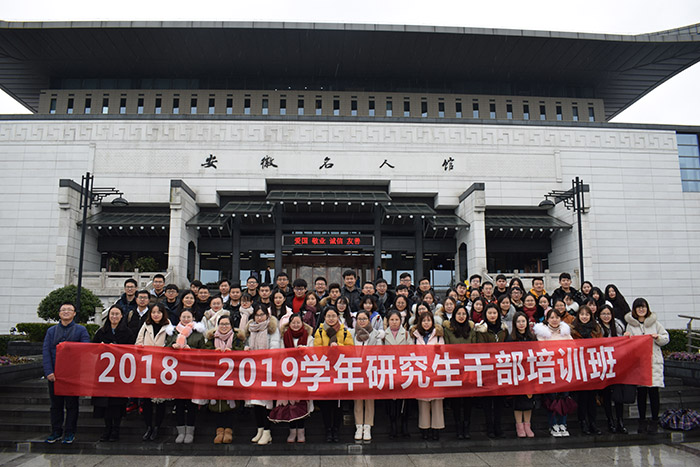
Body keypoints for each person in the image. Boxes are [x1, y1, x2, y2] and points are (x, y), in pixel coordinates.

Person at [42, 301, 90, 444]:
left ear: (74, 313)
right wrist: (49, 371)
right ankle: (56, 431)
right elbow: (46, 352)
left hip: (72, 375)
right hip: (55, 374)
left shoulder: (81, 330)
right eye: (63, 310)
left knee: (72, 405)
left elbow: (86, 349)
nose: (66, 312)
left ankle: (69, 432)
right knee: (56, 405)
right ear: (59, 313)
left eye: (69, 310)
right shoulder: (51, 331)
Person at [624, 298, 669, 434]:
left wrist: (658, 337)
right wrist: (626, 337)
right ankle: (642, 421)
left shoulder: (655, 323)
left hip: (653, 362)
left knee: (654, 393)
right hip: (639, 364)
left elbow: (666, 338)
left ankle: (654, 421)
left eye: (643, 307)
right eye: (638, 307)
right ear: (634, 310)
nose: (641, 310)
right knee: (641, 394)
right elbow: (627, 346)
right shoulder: (631, 325)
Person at [92, 305, 135, 442]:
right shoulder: (101, 332)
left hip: (120, 373)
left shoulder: (127, 332)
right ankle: (107, 429)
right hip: (104, 373)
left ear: (121, 316)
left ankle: (116, 429)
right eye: (112, 314)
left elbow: (132, 351)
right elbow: (92, 349)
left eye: (117, 314)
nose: (114, 317)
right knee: (104, 403)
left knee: (117, 404)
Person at [165, 309, 206, 444]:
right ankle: (180, 430)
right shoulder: (173, 332)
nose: (186, 319)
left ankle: (190, 430)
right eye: (184, 316)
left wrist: (191, 351)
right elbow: (165, 349)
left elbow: (204, 353)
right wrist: (173, 346)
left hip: (192, 372)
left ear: (193, 318)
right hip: (176, 372)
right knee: (179, 404)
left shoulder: (198, 334)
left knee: (191, 404)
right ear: (180, 318)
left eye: (189, 317)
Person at [241, 305, 280, 445]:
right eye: (257, 315)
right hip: (253, 371)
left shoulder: (272, 328)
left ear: (267, 315)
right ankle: (260, 429)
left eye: (262, 315)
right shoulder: (251, 329)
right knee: (255, 402)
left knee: (266, 403)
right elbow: (246, 344)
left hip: (267, 371)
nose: (259, 318)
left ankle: (267, 431)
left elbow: (275, 347)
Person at [314, 307, 354, 442]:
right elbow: (316, 350)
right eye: (328, 316)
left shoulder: (344, 331)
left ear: (338, 317)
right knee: (325, 404)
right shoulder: (320, 331)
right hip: (324, 371)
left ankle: (336, 430)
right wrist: (328, 350)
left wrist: (338, 346)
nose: (331, 319)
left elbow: (351, 350)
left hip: (339, 371)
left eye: (333, 316)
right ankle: (327, 430)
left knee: (338, 404)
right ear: (324, 317)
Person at [204, 315, 244, 444]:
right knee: (218, 404)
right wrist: (213, 352)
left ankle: (229, 430)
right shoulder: (212, 339)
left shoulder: (237, 338)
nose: (224, 326)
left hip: (232, 376)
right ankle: (219, 430)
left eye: (227, 324)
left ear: (231, 325)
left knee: (230, 403)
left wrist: (232, 351)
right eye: (221, 324)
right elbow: (205, 352)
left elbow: (242, 352)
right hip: (215, 376)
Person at [134, 303, 171, 441]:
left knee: (160, 401)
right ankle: (148, 426)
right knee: (147, 400)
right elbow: (138, 342)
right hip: (147, 367)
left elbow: (171, 343)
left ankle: (157, 427)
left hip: (163, 368)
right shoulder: (146, 326)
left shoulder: (169, 326)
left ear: (163, 314)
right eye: (154, 312)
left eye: (159, 312)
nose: (156, 315)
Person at [274, 313, 313, 443]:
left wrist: (306, 350)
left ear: (302, 324)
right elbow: (279, 355)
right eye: (293, 323)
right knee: (290, 404)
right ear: (289, 324)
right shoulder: (284, 337)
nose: (295, 325)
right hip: (288, 376)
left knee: (301, 404)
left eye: (298, 322)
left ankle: (301, 431)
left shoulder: (309, 338)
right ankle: (292, 431)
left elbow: (314, 355)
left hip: (303, 376)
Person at [534, 309, 573, 438]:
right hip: (549, 369)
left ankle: (563, 423)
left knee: (564, 397)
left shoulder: (565, 332)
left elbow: (572, 347)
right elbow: (542, 349)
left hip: (564, 369)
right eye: (552, 317)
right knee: (551, 399)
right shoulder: (542, 332)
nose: (554, 320)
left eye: (557, 317)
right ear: (547, 319)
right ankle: (553, 424)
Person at [471, 303, 508, 438]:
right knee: (487, 400)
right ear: (485, 314)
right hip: (486, 368)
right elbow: (480, 348)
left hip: (501, 368)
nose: (492, 315)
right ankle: (489, 428)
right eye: (490, 313)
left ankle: (498, 426)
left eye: (494, 313)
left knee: (499, 400)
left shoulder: (503, 329)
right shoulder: (481, 329)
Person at [410, 312, 445, 440]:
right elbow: (410, 353)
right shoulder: (415, 336)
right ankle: (424, 428)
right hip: (421, 372)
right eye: (424, 321)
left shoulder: (438, 336)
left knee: (437, 403)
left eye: (428, 320)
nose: (426, 323)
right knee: (423, 403)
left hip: (435, 372)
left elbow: (444, 352)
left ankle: (436, 428)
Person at [443, 305, 474, 439]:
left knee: (468, 400)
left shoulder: (471, 330)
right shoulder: (448, 330)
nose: (461, 316)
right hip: (454, 368)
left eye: (463, 314)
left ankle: (466, 426)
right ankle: (457, 426)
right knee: (456, 400)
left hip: (469, 369)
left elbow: (475, 347)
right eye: (459, 314)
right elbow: (446, 348)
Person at [570, 305, 603, 435]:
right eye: (582, 314)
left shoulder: (596, 329)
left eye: (587, 314)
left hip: (593, 366)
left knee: (592, 397)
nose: (584, 317)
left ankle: (593, 423)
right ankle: (583, 422)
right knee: (582, 397)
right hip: (579, 367)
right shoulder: (573, 331)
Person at [353, 310, 384, 442]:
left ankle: (368, 426)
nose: (362, 321)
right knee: (358, 400)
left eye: (364, 319)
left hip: (371, 370)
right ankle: (358, 426)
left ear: (369, 320)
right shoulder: (352, 333)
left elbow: (379, 351)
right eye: (359, 319)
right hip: (356, 371)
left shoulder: (375, 334)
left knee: (369, 400)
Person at [597, 304, 628, 434]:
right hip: (603, 365)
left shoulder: (619, 325)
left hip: (617, 364)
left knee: (618, 395)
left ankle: (620, 421)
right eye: (603, 314)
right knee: (607, 395)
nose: (606, 316)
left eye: (608, 314)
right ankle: (610, 421)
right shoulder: (597, 327)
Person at [382, 310, 411, 438]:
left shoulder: (406, 334)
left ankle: (404, 424)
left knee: (403, 399)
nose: (394, 322)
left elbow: (411, 351)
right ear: (388, 321)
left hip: (403, 369)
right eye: (392, 320)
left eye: (397, 320)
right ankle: (392, 424)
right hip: (389, 370)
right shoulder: (383, 335)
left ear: (401, 321)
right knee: (391, 399)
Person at [510, 311, 537, 438]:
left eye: (523, 321)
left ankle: (527, 425)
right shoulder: (511, 339)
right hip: (516, 374)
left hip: (529, 373)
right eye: (518, 322)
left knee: (528, 400)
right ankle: (519, 425)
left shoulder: (532, 337)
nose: (521, 324)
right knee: (518, 402)